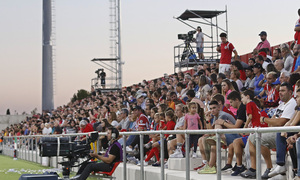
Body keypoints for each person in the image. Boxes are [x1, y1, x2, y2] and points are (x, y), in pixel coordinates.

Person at [241, 83, 297, 179]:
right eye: (279, 91)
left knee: (256, 138)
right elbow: (273, 121)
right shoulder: (281, 105)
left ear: (290, 92)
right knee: (254, 138)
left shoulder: (292, 103)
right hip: (276, 131)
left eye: (283, 91)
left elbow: (280, 122)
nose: (280, 93)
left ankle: (260, 169)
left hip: (284, 133)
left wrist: (265, 119)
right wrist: (272, 121)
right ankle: (264, 168)